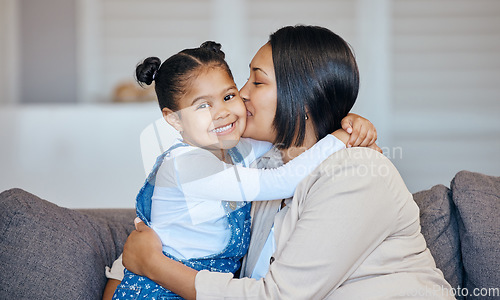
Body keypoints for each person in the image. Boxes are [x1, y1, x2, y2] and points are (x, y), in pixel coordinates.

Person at [112, 25, 454, 299]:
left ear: (304, 97)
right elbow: (181, 228)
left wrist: (154, 265)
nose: (240, 95)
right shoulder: (260, 165)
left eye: (256, 82)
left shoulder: (359, 173)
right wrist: (126, 270)